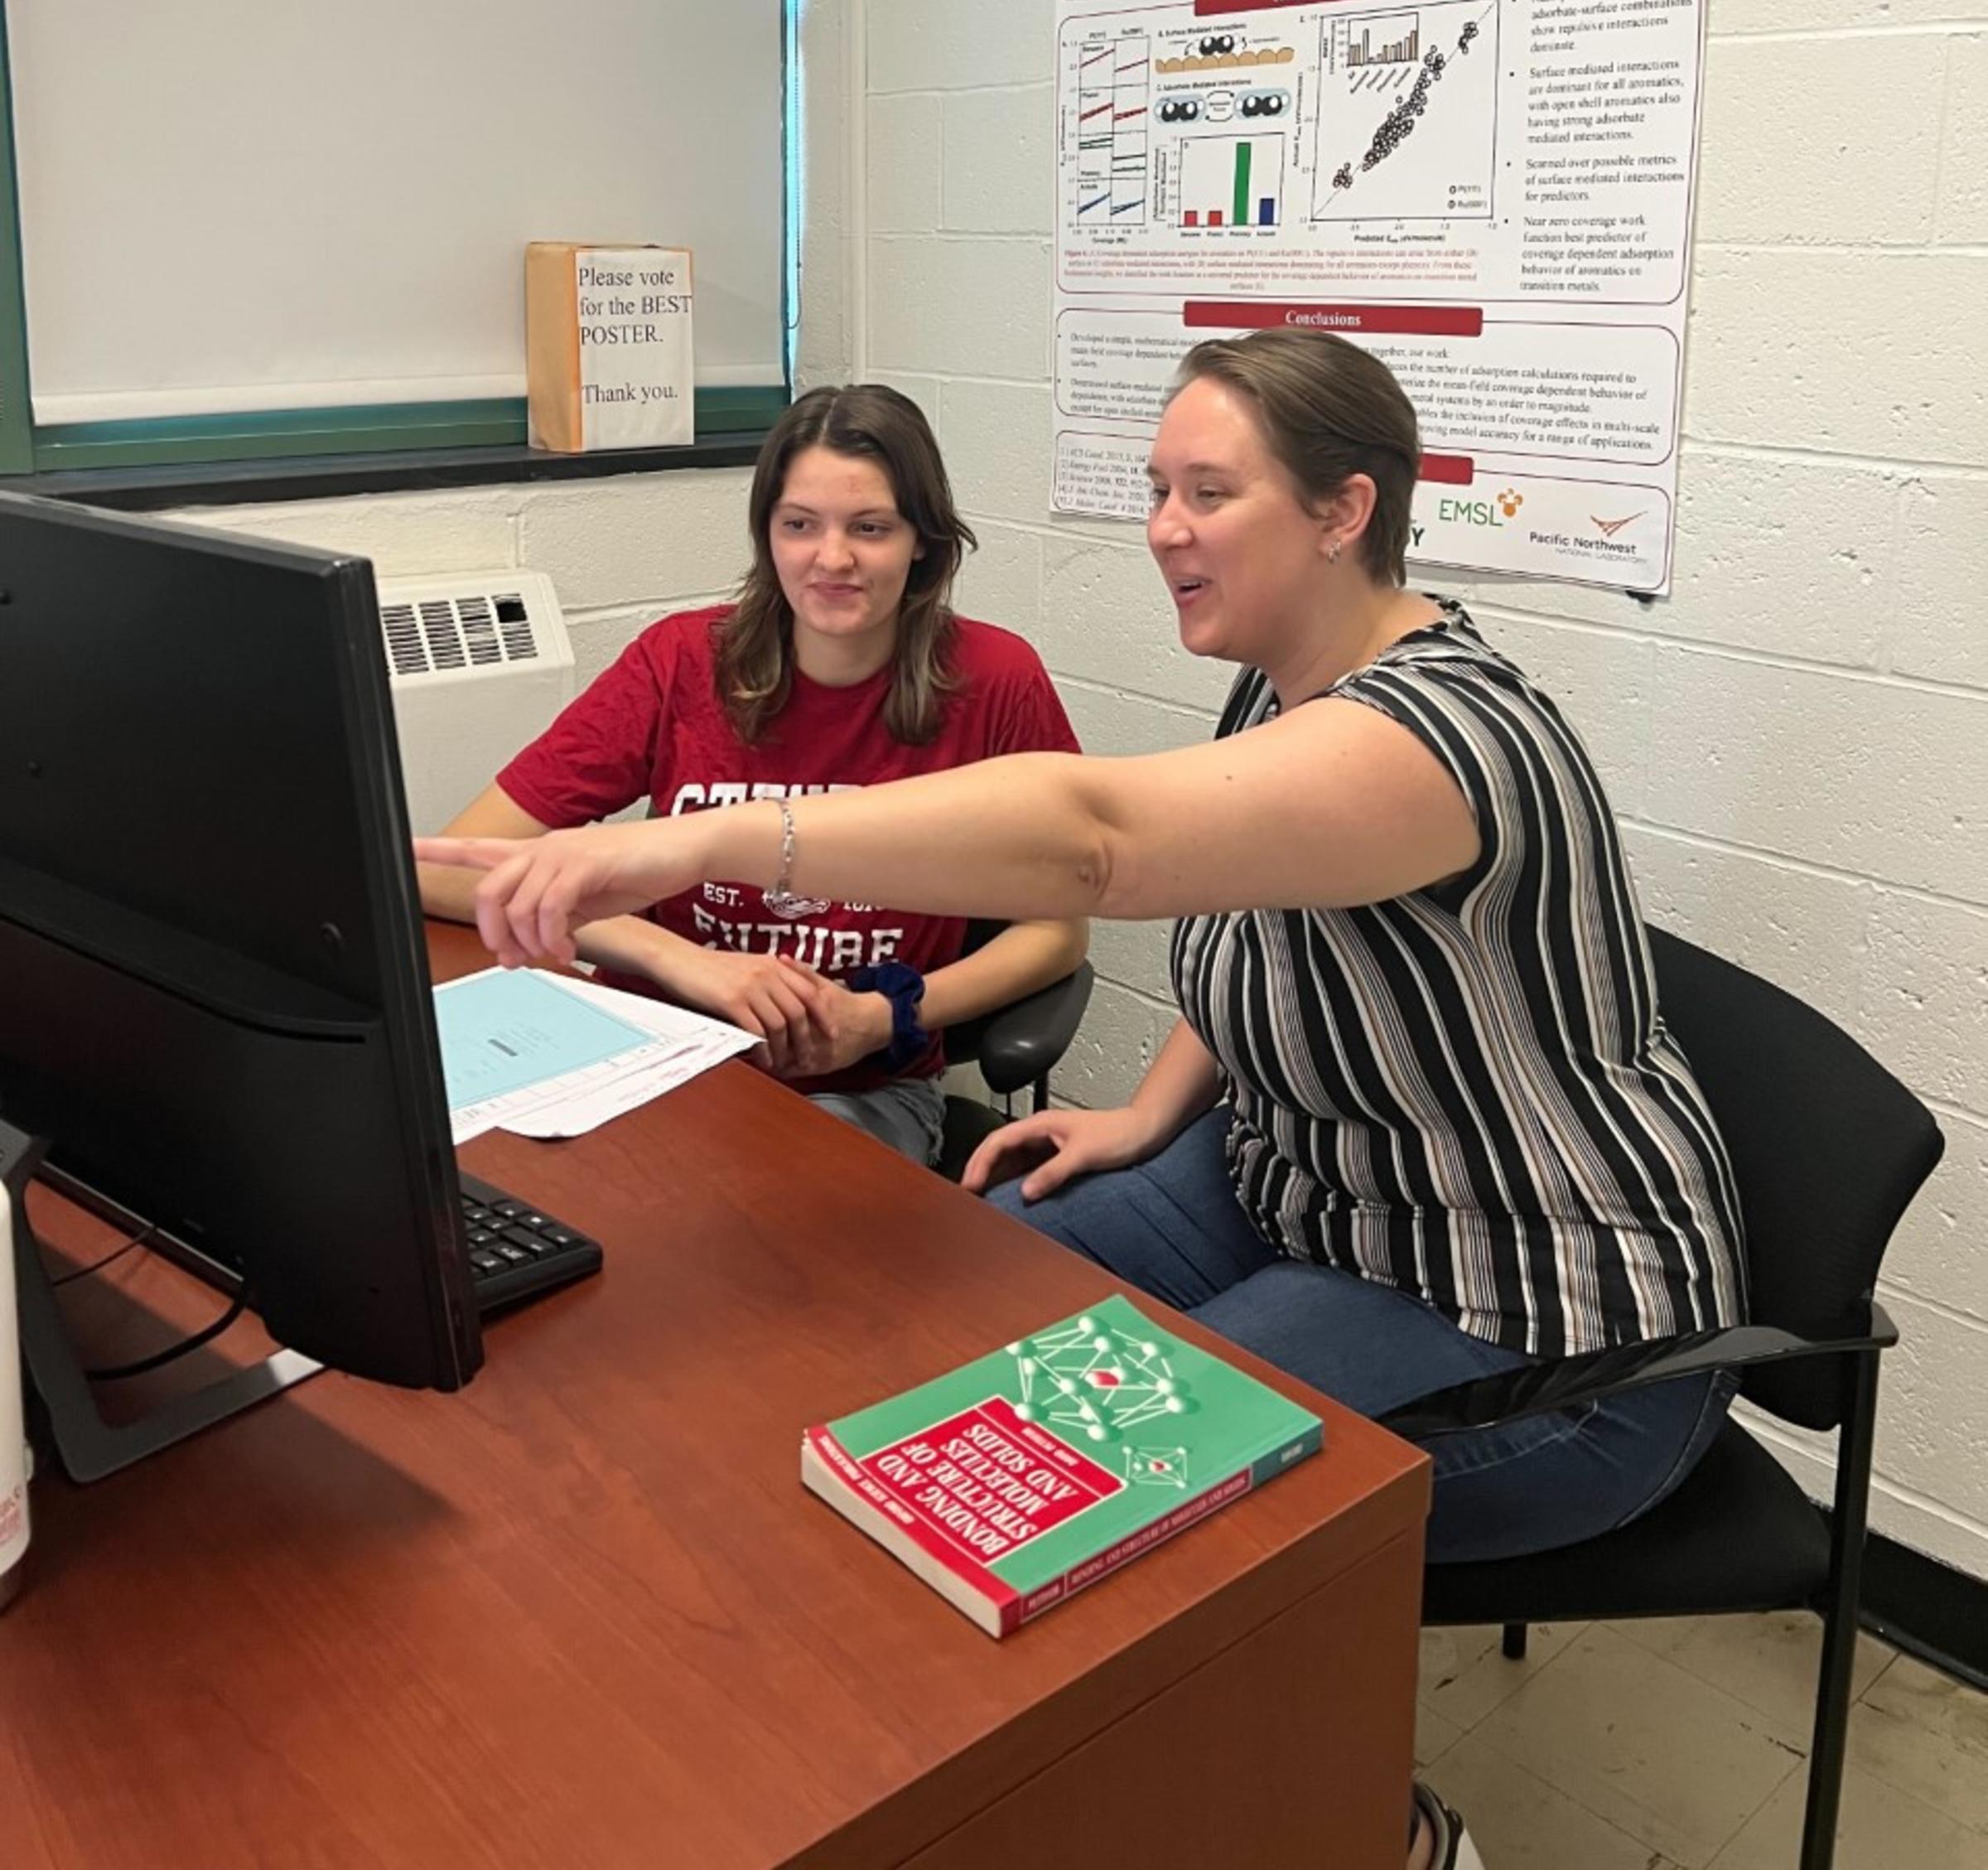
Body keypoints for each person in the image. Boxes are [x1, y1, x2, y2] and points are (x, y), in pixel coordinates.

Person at [423, 331, 1746, 1870]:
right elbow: (1262, 946)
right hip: (1293, 1184)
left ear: (1341, 512)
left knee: (1105, 1491)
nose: (1163, 528)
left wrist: (694, 846)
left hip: (1537, 1300)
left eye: (1209, 492)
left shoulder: (1440, 735)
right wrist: (1147, 1113)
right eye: (1157, 489)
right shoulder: (1287, 689)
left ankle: (1353, 1820)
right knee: (946, 1301)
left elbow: (1096, 846)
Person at [417, 384, 1086, 1167]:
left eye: (870, 528)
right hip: (648, 1054)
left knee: (756, 1244)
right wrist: (679, 960)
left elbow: (1058, 928)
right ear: (768, 534)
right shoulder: (679, 662)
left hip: (857, 1085)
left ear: (922, 543)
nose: (830, 558)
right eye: (799, 525)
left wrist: (885, 1018)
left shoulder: (996, 680)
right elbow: (447, 870)